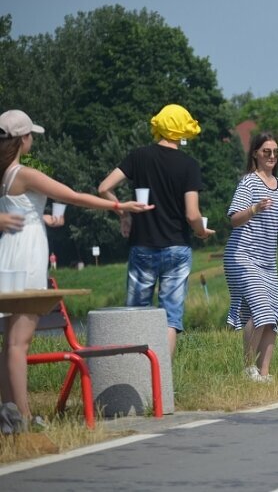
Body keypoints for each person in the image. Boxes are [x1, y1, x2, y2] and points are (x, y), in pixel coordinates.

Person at [0, 109, 151, 432]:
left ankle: (9, 414)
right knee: (18, 342)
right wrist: (118, 206)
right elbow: (73, 196)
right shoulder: (24, 174)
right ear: (22, 139)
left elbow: (20, 215)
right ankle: (23, 418)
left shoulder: (4, 176)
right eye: (30, 136)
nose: (32, 141)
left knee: (10, 341)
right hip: (26, 257)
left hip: (9, 253)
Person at [98, 104, 213, 359]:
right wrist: (201, 231)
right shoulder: (189, 165)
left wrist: (124, 214)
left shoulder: (139, 156)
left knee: (137, 314)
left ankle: (137, 377)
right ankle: (161, 380)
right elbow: (192, 214)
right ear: (182, 130)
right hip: (176, 248)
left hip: (142, 247)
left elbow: (104, 187)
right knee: (171, 317)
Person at [223, 132, 278, 383]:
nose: (272, 156)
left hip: (267, 262)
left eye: (275, 152)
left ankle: (264, 374)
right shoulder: (249, 183)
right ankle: (248, 369)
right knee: (262, 310)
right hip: (242, 255)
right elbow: (234, 218)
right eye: (266, 152)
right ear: (255, 155)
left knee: (274, 315)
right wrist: (255, 208)